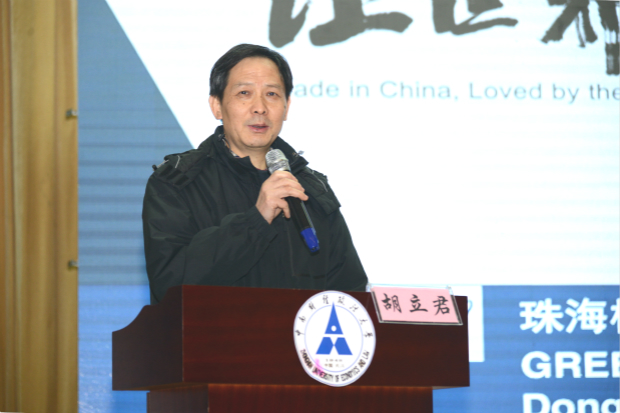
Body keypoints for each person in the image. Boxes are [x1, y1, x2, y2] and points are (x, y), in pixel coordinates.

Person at [142, 44, 367, 304]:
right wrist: (256, 220)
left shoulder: (312, 190)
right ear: (216, 106)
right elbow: (170, 284)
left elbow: (351, 294)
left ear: (286, 107)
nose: (259, 107)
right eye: (244, 93)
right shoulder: (176, 183)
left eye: (271, 94)